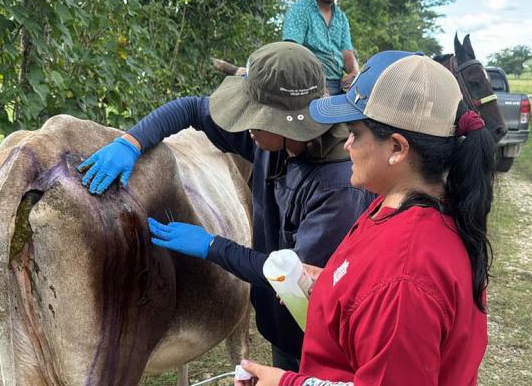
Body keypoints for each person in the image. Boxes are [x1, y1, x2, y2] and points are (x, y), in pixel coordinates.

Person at [77, 42, 374, 371]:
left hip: (321, 341)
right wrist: (130, 142)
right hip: (281, 328)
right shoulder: (269, 140)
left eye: (255, 119)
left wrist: (211, 246)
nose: (247, 126)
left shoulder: (337, 186)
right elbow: (191, 109)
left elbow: (293, 279)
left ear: (286, 122)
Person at [236, 51, 495, 385]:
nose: (346, 146)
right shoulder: (396, 206)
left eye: (355, 133)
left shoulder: (405, 277)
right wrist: (332, 284)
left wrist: (285, 383)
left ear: (398, 148)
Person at [283, 0, 359, 95]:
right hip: (308, 82)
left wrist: (354, 72)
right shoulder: (300, 9)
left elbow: (347, 55)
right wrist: (313, 84)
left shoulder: (341, 18)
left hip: (338, 83)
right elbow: (291, 50)